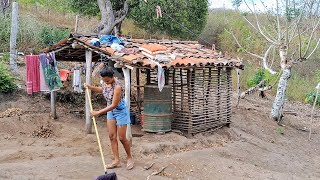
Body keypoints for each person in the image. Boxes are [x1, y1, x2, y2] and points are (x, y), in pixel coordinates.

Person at [84, 67, 134, 170]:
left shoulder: (117, 87)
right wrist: (90, 87)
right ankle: (116, 160)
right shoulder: (105, 82)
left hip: (120, 111)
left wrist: (98, 112)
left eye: (107, 80)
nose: (106, 82)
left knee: (122, 138)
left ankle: (129, 157)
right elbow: (102, 90)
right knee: (111, 136)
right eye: (104, 80)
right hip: (110, 111)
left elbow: (114, 105)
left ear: (112, 77)